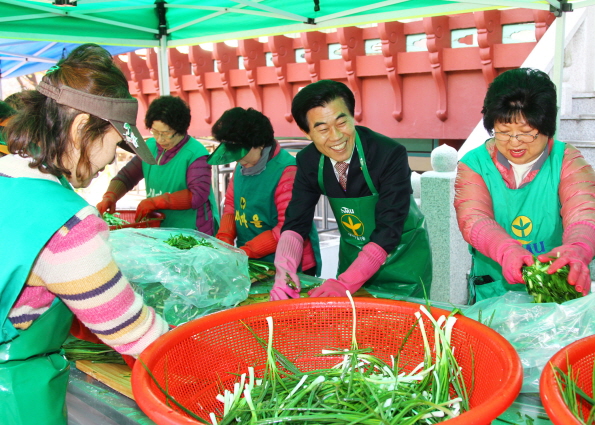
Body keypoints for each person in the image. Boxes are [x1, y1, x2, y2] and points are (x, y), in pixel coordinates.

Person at [0, 44, 168, 425]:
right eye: (114, 144)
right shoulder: (67, 226)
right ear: (80, 128)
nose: (112, 160)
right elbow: (140, 335)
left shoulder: (6, 178)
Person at [270, 80, 432, 300]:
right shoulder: (308, 161)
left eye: (341, 122)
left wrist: (345, 283)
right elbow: (296, 221)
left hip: (403, 263)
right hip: (353, 260)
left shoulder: (388, 154)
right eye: (322, 129)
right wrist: (285, 270)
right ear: (306, 132)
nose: (336, 137)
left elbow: (389, 227)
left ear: (353, 116)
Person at [454, 68, 595, 303]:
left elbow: (584, 212)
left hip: (556, 288)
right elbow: (474, 218)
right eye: (504, 132)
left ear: (547, 130)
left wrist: (578, 248)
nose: (515, 142)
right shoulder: (474, 164)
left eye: (527, 133)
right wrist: (506, 250)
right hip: (494, 292)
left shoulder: (567, 161)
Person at [208, 107, 321, 275]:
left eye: (241, 153)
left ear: (260, 143)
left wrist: (246, 251)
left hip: (289, 262)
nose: (238, 159)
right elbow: (232, 205)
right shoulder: (243, 164)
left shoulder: (287, 170)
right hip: (251, 257)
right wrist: (224, 239)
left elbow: (287, 227)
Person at [97, 95, 218, 234]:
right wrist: (110, 196)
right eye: (155, 132)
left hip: (193, 231)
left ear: (180, 129)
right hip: (161, 229)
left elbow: (197, 195)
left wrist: (156, 202)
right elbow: (127, 176)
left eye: (166, 133)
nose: (160, 139)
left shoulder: (196, 154)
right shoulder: (150, 148)